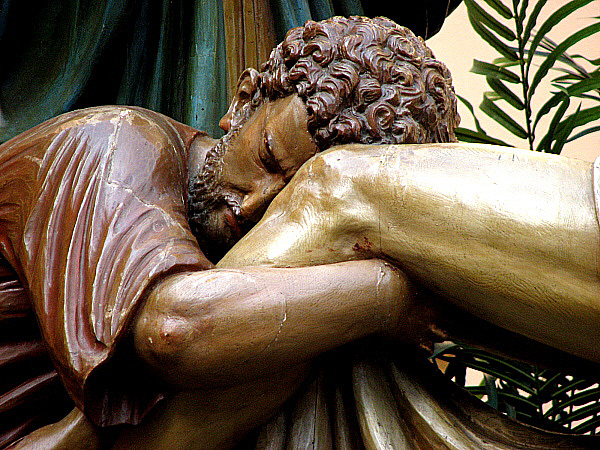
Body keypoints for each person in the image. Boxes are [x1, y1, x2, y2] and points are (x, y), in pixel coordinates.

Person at [0, 16, 459, 448]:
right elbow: (175, 331)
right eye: (267, 158)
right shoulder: (116, 145)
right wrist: (391, 295)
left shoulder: (279, 299)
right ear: (244, 101)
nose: (255, 203)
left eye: (293, 201)